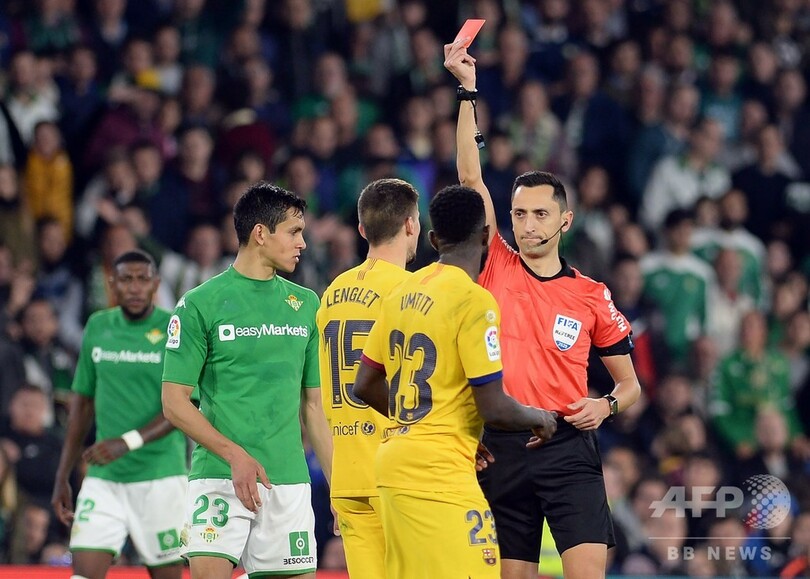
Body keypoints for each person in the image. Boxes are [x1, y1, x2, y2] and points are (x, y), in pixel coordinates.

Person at [445, 39, 642, 579]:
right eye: (519, 214)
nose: (527, 225)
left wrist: (606, 406)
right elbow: (470, 179)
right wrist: (467, 91)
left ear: (565, 221)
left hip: (568, 446)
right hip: (502, 446)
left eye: (539, 214)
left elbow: (630, 385)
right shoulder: (495, 263)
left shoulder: (591, 294)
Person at [353, 184, 559, 579]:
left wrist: (423, 420)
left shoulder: (402, 290)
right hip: (440, 476)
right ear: (485, 236)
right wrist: (540, 418)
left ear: (433, 239)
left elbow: (364, 384)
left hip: (393, 465)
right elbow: (494, 407)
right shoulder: (473, 300)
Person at [161, 182, 333, 579]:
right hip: (219, 476)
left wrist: (338, 487)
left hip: (287, 482)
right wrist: (234, 455)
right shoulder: (199, 304)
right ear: (260, 233)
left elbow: (314, 407)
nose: (303, 243)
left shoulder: (306, 304)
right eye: (293, 231)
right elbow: (173, 402)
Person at [51, 249, 187, 579]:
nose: (135, 287)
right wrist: (63, 474)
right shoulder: (98, 326)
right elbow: (82, 403)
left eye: (143, 279)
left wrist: (127, 442)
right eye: (126, 279)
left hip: (160, 477)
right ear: (112, 284)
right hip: (105, 477)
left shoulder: (173, 328)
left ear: (156, 284)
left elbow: (184, 405)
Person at [315, 178, 420, 579]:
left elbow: (321, 393)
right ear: (410, 225)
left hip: (348, 474)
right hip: (399, 471)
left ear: (361, 229)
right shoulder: (412, 291)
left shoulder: (332, 293)